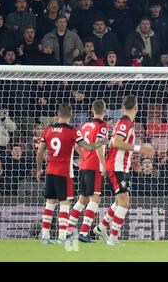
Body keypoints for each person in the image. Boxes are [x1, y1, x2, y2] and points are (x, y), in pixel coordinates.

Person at [36, 103, 107, 244]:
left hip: (57, 169)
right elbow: (88, 145)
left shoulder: (53, 129)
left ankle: (50, 235)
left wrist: (39, 169)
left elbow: (40, 151)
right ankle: (74, 234)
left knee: (57, 202)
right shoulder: (75, 129)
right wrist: (102, 157)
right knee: (87, 200)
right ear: (71, 114)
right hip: (72, 170)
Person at [93, 95, 154, 246]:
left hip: (121, 166)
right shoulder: (125, 122)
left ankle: (101, 227)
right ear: (137, 108)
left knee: (122, 201)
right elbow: (116, 143)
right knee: (124, 203)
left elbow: (114, 142)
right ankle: (113, 239)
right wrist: (140, 149)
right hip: (116, 167)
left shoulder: (126, 123)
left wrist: (131, 160)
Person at [66, 100, 108, 243]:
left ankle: (68, 230)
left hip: (84, 165)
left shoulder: (84, 126)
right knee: (95, 198)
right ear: (105, 110)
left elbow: (76, 144)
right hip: (93, 165)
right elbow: (99, 145)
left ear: (92, 110)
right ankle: (83, 233)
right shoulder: (102, 125)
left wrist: (83, 154)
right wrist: (103, 164)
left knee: (83, 199)